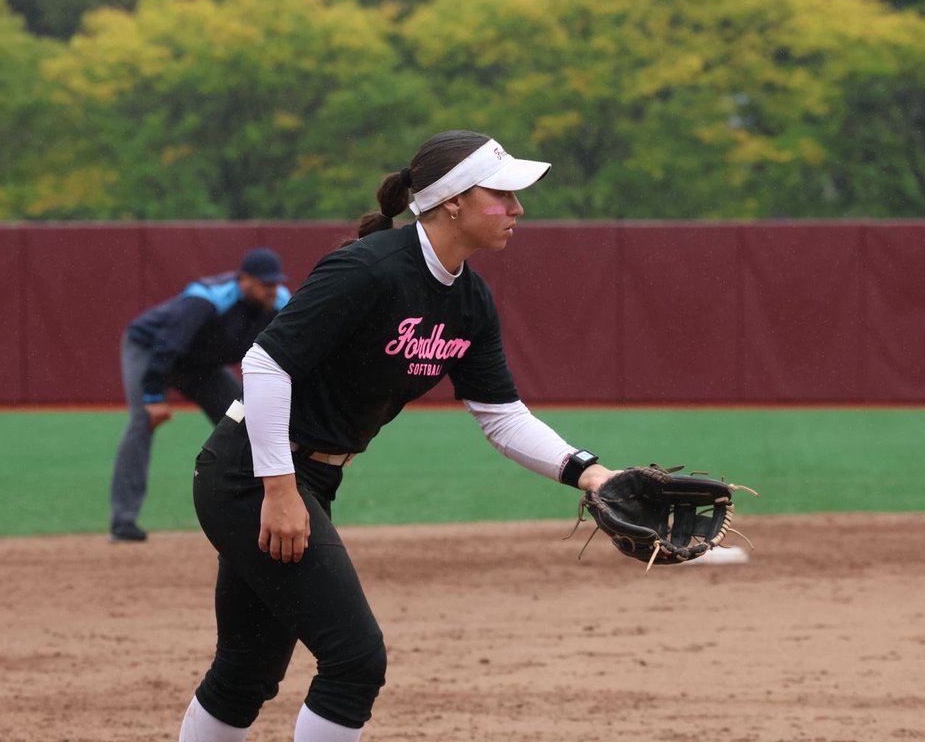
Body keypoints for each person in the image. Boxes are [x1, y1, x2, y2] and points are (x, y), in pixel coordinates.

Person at [182, 131, 619, 741]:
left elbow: (501, 414)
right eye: (503, 194)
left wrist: (590, 472)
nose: (518, 209)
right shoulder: (369, 268)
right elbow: (264, 365)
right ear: (452, 203)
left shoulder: (468, 298)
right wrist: (278, 487)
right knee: (355, 660)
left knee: (247, 669)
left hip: (307, 477)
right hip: (251, 472)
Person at [108, 247, 291, 542]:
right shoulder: (207, 298)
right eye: (265, 283)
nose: (272, 290)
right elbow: (169, 344)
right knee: (143, 422)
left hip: (201, 365)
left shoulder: (279, 303)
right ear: (244, 280)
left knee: (248, 422)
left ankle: (257, 513)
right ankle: (123, 522)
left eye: (275, 283)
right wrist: (154, 397)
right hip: (150, 349)